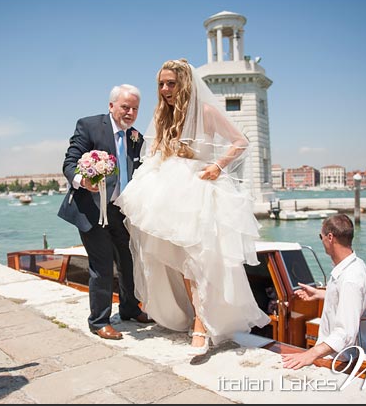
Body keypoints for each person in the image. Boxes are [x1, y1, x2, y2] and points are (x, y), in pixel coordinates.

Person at [114, 59, 271, 356]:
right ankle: (196, 318)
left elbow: (240, 141)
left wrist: (217, 165)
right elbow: (158, 150)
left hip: (199, 189)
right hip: (170, 193)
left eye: (171, 83)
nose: (164, 89)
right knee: (182, 259)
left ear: (185, 83)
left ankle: (201, 324)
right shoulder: (164, 115)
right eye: (161, 84)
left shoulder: (207, 112)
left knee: (198, 260)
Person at [57, 84, 153, 341]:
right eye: (125, 107)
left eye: (135, 108)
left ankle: (131, 309)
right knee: (101, 265)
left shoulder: (136, 137)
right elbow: (70, 161)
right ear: (111, 106)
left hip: (121, 211)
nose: (130, 112)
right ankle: (99, 321)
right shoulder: (89, 126)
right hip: (92, 209)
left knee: (129, 260)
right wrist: (81, 180)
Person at [281, 213, 366, 370]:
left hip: (341, 360)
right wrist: (319, 294)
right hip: (336, 355)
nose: (321, 241)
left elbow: (345, 334)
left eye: (320, 236)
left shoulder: (350, 278)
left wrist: (309, 354)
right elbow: (347, 298)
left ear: (330, 237)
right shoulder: (355, 264)